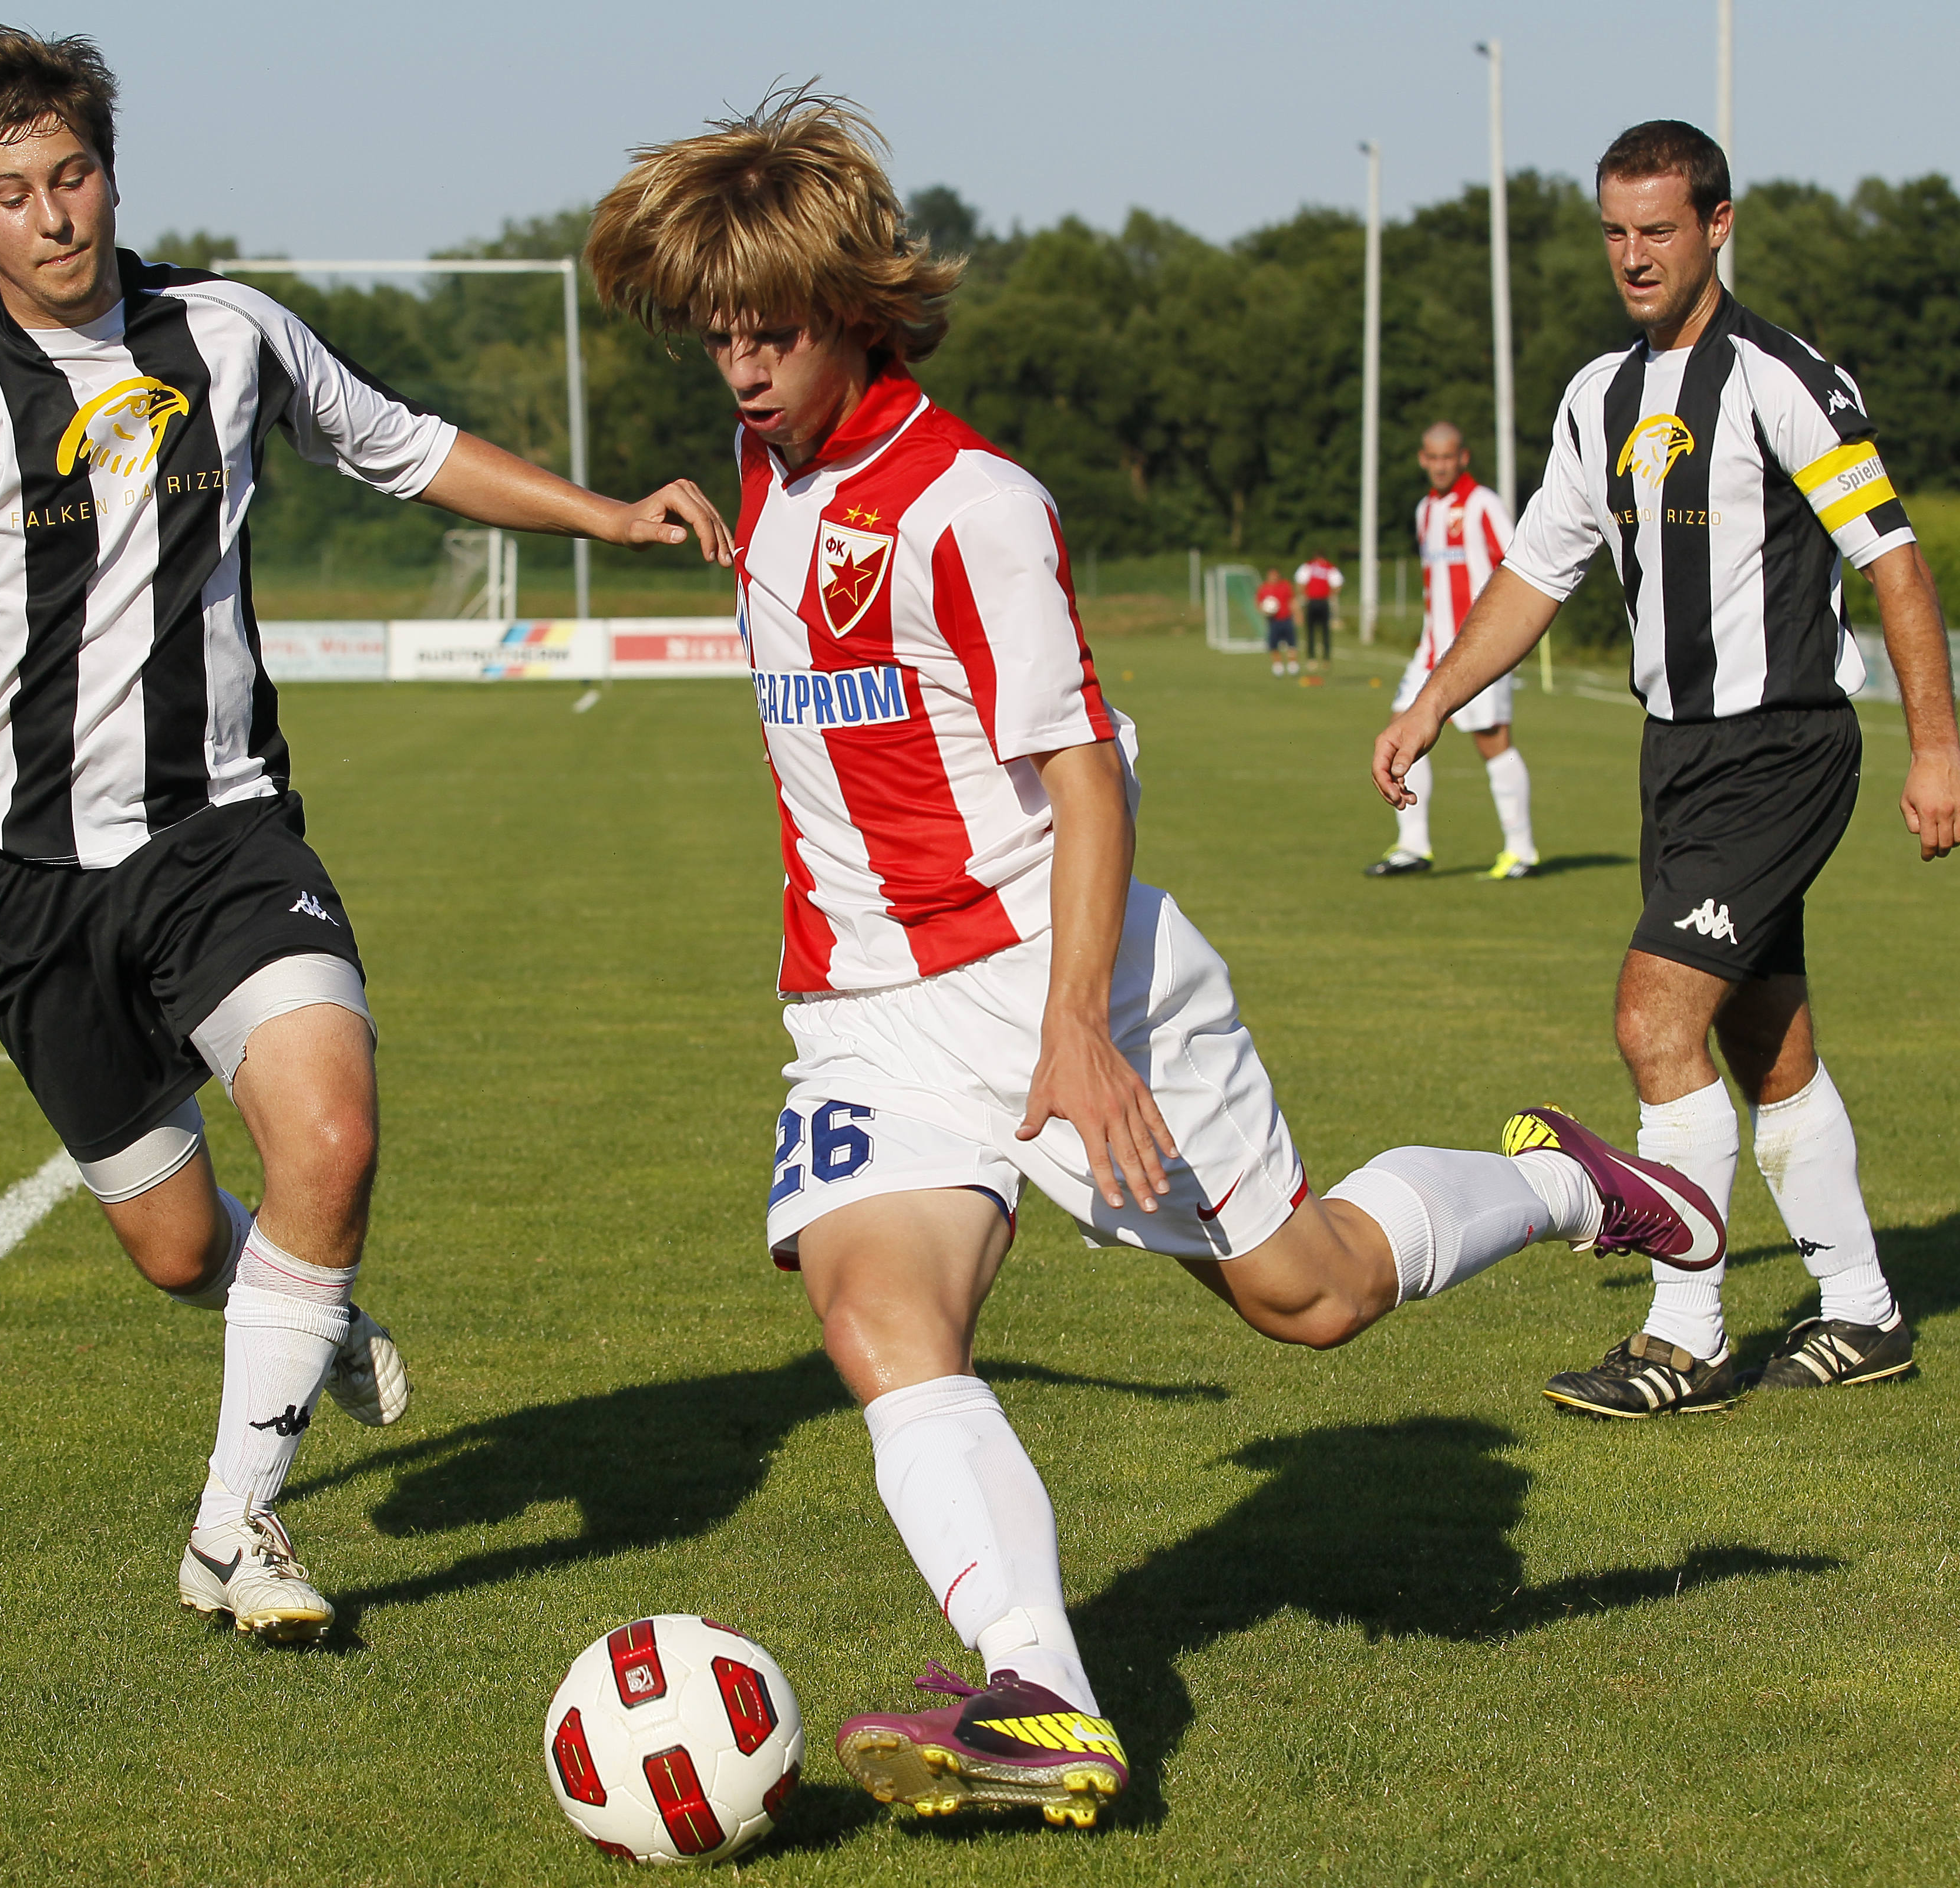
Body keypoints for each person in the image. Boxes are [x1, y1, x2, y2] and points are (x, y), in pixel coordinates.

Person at [585, 87, 1725, 1829]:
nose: (741, 370)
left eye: (774, 332)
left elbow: (1087, 777)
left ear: (861, 309)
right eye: (718, 336)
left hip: (1075, 974)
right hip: (866, 1010)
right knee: (874, 1312)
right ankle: (1043, 1695)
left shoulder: (971, 506)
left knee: (1312, 1297)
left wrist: (1079, 1034)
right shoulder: (764, 467)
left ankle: (1563, 1181)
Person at [0, 28, 730, 1638]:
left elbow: (409, 449)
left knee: (331, 1136)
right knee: (182, 1249)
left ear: (111, 171)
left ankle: (233, 1531)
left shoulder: (229, 333)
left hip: (224, 837)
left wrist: (611, 515)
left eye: (74, 176)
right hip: (29, 890)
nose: (55, 218)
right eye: (12, 195)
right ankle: (303, 1313)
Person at [1375, 120, 1960, 1418]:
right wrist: (1430, 700)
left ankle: (1683, 1336)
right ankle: (1862, 1313)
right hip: (1675, 756)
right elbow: (1537, 572)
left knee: (1654, 1021)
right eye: (1614, 231)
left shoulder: (1779, 379)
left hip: (1781, 746)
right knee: (1765, 1046)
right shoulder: (1597, 398)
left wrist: (1935, 748)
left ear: (1716, 225)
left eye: (1659, 228)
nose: (1633, 255)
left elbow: (1893, 563)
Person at [1369, 424, 1538, 879]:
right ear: (1423, 460)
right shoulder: (1425, 509)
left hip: (1477, 651)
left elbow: (1519, 560)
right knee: (1399, 733)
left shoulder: (1483, 503)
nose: (1440, 465)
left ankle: (1521, 850)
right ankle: (1413, 846)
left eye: (1449, 457)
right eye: (1432, 457)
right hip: (1429, 651)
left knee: (1492, 742)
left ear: (1463, 457)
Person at [1294, 550, 1343, 667]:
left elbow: (1300, 583)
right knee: (1324, 631)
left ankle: (1312, 659)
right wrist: (1332, 595)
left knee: (1311, 631)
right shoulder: (1330, 567)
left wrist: (1303, 595)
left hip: (1313, 601)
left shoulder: (1308, 566)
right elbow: (1338, 584)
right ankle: (1325, 659)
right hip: (1323, 601)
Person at [1255, 567, 1299, 675]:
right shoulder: (1264, 588)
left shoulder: (1285, 586)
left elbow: (1292, 600)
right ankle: (1278, 666)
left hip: (1287, 619)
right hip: (1274, 621)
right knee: (1274, 644)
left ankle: (1292, 665)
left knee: (1292, 643)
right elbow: (1258, 603)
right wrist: (1265, 611)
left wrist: (1298, 614)